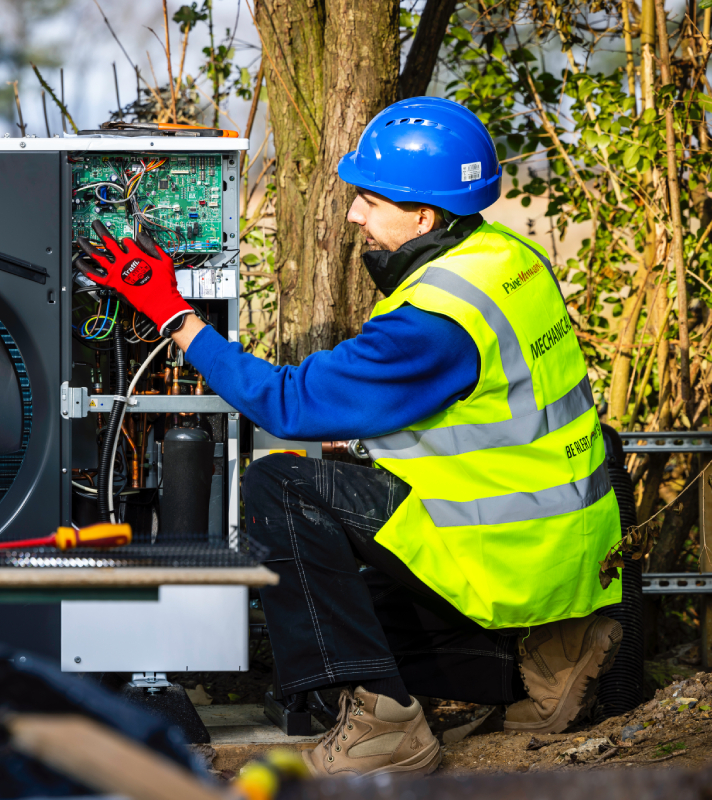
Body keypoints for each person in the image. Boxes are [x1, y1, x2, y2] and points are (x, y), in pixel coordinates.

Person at [75, 96, 623, 779]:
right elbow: (476, 410)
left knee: (283, 487)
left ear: (422, 215)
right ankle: (545, 656)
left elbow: (287, 403)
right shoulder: (506, 258)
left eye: (368, 199)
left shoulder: (432, 321)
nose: (354, 214)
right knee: (366, 622)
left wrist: (176, 317)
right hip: (556, 550)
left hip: (498, 555)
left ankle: (386, 723)